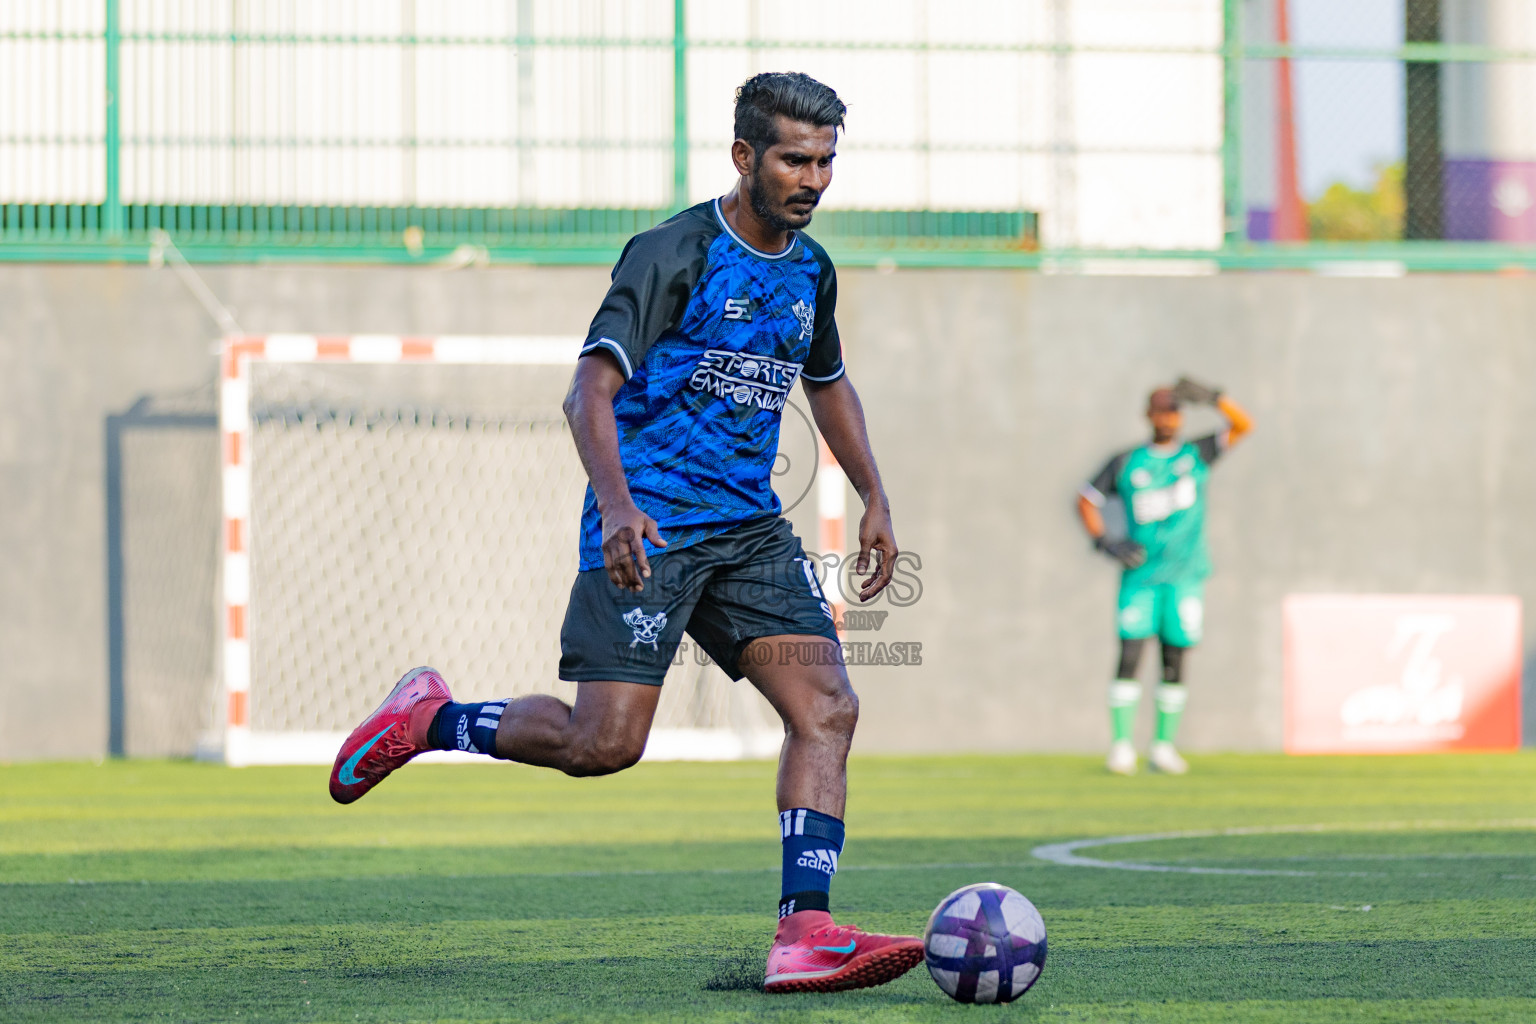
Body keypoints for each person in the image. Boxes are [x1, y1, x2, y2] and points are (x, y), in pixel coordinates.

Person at [327, 72, 924, 994]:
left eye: (825, 162)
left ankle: (804, 931)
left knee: (828, 709)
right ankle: (428, 719)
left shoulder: (812, 271)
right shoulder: (672, 253)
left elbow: (827, 379)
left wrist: (874, 491)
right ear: (744, 156)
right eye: (794, 160)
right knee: (603, 746)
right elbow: (588, 392)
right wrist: (615, 507)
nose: (812, 180)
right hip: (650, 527)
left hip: (749, 536)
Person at [1076, 378, 1253, 776]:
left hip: (1185, 576)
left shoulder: (1195, 455)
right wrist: (1104, 541)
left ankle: (1163, 747)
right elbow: (1086, 499)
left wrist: (1216, 399)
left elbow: (1244, 426)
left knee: (1174, 658)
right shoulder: (1127, 462)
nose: (1169, 419)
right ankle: (1122, 747)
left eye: (1174, 411)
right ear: (1148, 415)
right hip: (1141, 576)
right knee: (1130, 656)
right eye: (1161, 412)